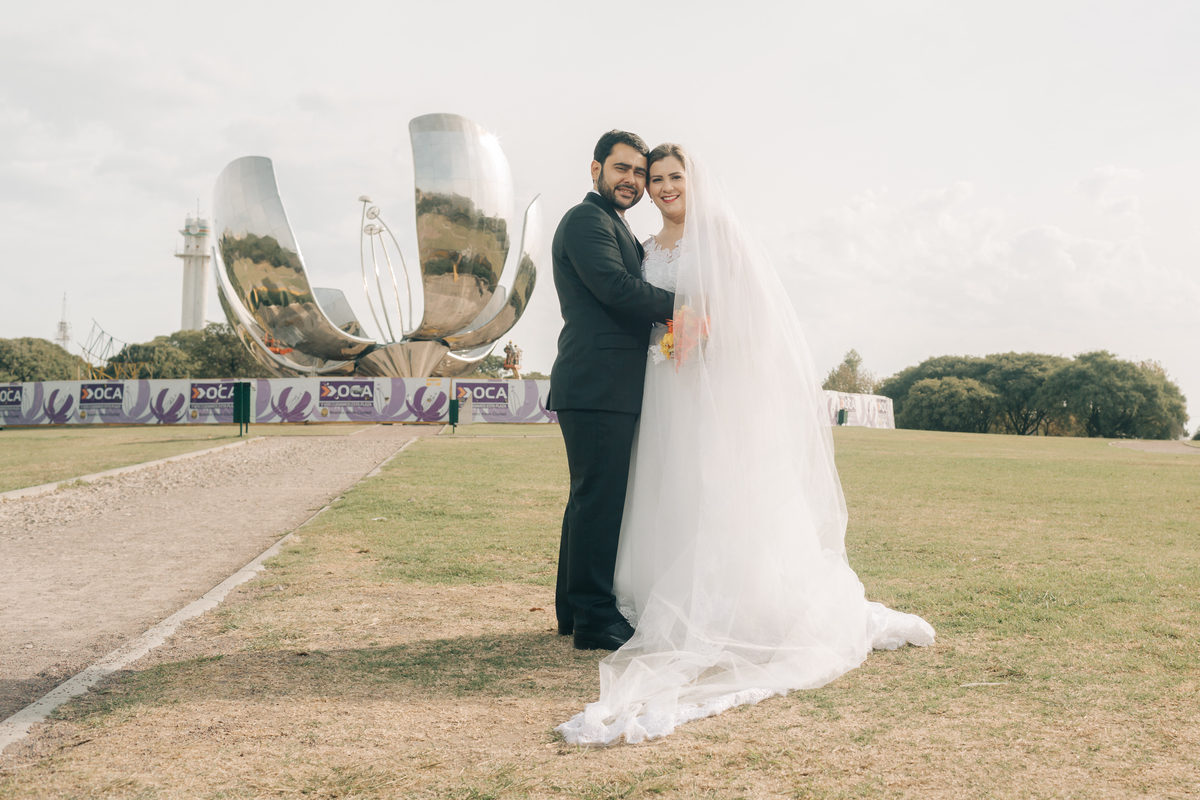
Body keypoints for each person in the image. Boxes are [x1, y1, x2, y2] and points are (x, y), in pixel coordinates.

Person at [557, 144, 936, 745]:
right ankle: (632, 601)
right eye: (654, 178)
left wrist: (704, 337)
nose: (661, 186)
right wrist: (680, 326)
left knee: (714, 488)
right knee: (651, 489)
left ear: (694, 180)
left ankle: (731, 601)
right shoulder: (643, 248)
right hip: (658, 388)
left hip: (708, 388)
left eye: (671, 176)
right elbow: (635, 303)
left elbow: (749, 315)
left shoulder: (721, 237)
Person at [549, 130, 676, 651]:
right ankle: (596, 618)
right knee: (599, 502)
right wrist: (688, 303)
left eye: (640, 173)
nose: (633, 180)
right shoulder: (587, 220)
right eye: (622, 169)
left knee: (589, 500)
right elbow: (614, 287)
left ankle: (573, 609)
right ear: (596, 168)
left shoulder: (613, 222)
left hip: (601, 382)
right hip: (598, 381)